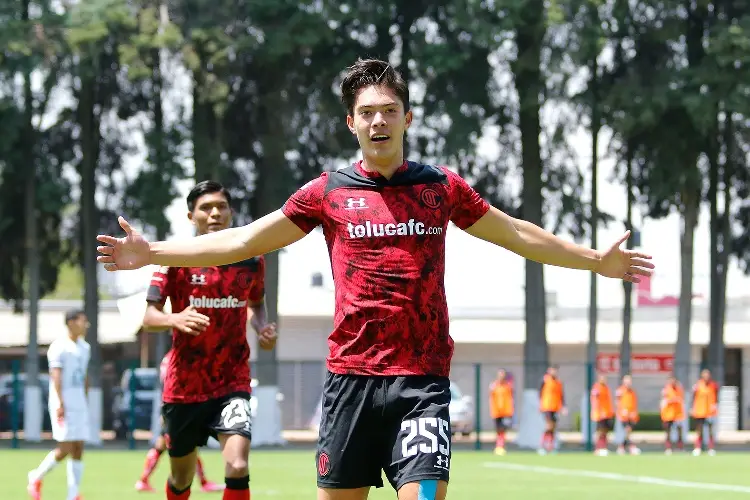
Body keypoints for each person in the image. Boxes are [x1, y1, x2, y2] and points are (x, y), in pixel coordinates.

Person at [96, 59, 654, 500]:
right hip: (350, 383)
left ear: (408, 118)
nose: (378, 121)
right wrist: (153, 253)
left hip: (422, 384)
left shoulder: (441, 188)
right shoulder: (327, 192)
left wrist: (592, 260)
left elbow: (515, 234)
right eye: (366, 112)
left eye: (389, 110)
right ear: (351, 122)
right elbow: (244, 240)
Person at [136, 180, 277, 500]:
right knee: (181, 479)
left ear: (230, 212)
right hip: (184, 387)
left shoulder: (252, 259)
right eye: (206, 208)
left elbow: (255, 302)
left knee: (238, 466)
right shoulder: (175, 259)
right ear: (191, 216)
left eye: (221, 206)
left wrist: (262, 326)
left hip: (233, 380)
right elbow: (149, 317)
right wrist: (175, 318)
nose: (215, 213)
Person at [135, 349, 224, 492]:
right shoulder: (179, 357)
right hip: (178, 407)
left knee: (178, 446)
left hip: (172, 406)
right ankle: (143, 480)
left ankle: (143, 480)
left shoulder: (170, 357)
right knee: (171, 446)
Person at [27, 309, 91, 500]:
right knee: (65, 447)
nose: (85, 325)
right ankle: (36, 476)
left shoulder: (85, 347)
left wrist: (85, 397)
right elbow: (56, 375)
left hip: (79, 402)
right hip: (63, 402)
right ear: (71, 322)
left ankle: (73, 494)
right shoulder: (58, 346)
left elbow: (84, 376)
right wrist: (61, 403)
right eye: (82, 321)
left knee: (79, 446)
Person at [691, 368, 719, 456]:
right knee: (699, 430)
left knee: (710, 430)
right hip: (700, 411)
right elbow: (694, 397)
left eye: (708, 375)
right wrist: (693, 408)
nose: (706, 377)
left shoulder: (713, 385)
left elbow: (716, 396)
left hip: (710, 411)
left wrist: (715, 406)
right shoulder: (697, 385)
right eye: (705, 375)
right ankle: (697, 447)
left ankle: (711, 448)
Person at [539, 366, 566, 455]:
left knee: (553, 428)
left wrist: (563, 406)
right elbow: (540, 393)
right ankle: (543, 446)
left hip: (555, 407)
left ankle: (550, 447)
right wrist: (540, 405)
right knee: (549, 426)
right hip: (547, 407)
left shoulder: (558, 383)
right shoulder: (545, 381)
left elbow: (561, 395)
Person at [488, 369, 514, 455]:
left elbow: (510, 399)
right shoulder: (494, 386)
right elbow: (491, 398)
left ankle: (500, 446)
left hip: (506, 412)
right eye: (500, 374)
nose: (501, 376)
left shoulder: (508, 386)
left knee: (503, 429)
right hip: (496, 412)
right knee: (498, 430)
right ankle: (498, 446)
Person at [615, 374, 640, 455]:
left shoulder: (632, 392)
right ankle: (629, 446)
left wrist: (634, 413)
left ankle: (622, 447)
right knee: (627, 430)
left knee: (628, 432)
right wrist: (621, 410)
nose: (628, 383)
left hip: (631, 415)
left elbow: (634, 404)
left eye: (629, 381)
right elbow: (617, 402)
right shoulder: (620, 391)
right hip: (623, 416)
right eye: (626, 381)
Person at [660, 375, 685, 454]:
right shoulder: (666, 390)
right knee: (668, 432)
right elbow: (663, 401)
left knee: (679, 431)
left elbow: (681, 400)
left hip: (677, 414)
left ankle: (680, 447)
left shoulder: (679, 389)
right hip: (668, 414)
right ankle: (668, 448)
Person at [590, 374, 614, 456]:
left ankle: (604, 448)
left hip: (607, 413)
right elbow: (595, 401)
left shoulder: (606, 388)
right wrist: (598, 411)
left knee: (606, 432)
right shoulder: (596, 388)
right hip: (600, 414)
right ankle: (597, 448)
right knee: (600, 431)